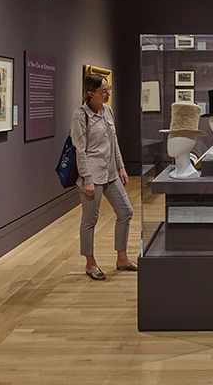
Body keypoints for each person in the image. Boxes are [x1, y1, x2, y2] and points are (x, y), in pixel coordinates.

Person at [70, 74, 136, 280]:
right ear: (91, 93)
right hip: (92, 175)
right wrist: (87, 179)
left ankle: (122, 258)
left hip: (111, 173)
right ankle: (90, 263)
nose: (108, 93)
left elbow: (113, 142)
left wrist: (122, 167)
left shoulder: (108, 110)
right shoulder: (80, 115)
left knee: (126, 211)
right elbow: (79, 150)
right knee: (90, 220)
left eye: (109, 89)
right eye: (103, 91)